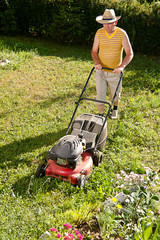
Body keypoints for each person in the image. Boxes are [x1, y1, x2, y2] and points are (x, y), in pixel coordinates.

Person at [91, 9, 134, 119]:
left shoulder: (121, 34)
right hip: (101, 70)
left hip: (115, 71)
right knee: (100, 93)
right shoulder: (99, 33)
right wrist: (97, 63)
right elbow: (94, 51)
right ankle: (101, 115)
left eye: (109, 24)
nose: (106, 27)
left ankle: (115, 108)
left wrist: (121, 67)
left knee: (115, 94)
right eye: (104, 24)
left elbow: (129, 53)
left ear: (115, 22)